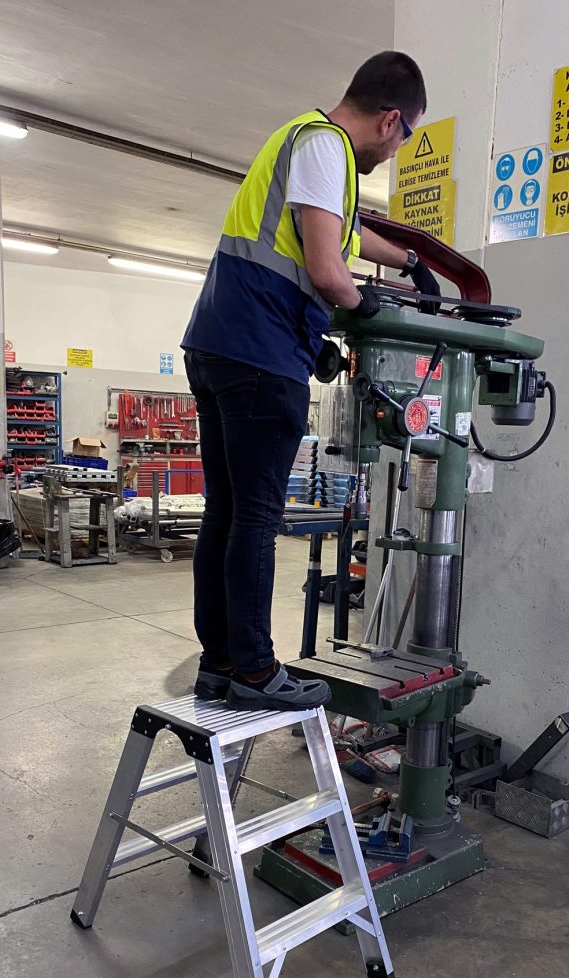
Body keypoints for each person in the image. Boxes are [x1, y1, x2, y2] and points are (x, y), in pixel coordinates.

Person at [182, 51, 441, 712]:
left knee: (227, 511)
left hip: (215, 345)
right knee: (257, 518)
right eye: (406, 135)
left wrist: (411, 261)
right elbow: (330, 271)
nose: (398, 145)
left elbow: (344, 235)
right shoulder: (329, 150)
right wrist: (364, 305)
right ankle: (257, 671)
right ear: (392, 121)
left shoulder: (301, 138)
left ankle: (219, 662)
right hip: (261, 355)